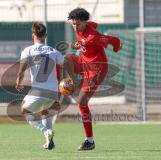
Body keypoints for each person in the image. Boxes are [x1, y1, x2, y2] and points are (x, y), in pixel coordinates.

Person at [66, 8, 122, 151]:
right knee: (66, 59)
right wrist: (77, 44)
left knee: (81, 101)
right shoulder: (82, 26)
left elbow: (112, 40)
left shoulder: (93, 37)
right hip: (84, 62)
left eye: (77, 24)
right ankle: (71, 83)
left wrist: (117, 46)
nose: (75, 26)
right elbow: (93, 24)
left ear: (84, 22)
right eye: (73, 24)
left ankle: (89, 141)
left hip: (97, 69)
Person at [15, 22, 68, 150]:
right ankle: (49, 141)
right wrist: (68, 79)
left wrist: (18, 80)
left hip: (39, 90)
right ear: (46, 35)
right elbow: (66, 63)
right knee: (46, 112)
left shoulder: (28, 50)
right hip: (54, 91)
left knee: (24, 110)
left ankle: (45, 131)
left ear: (33, 34)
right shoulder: (53, 51)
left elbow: (21, 70)